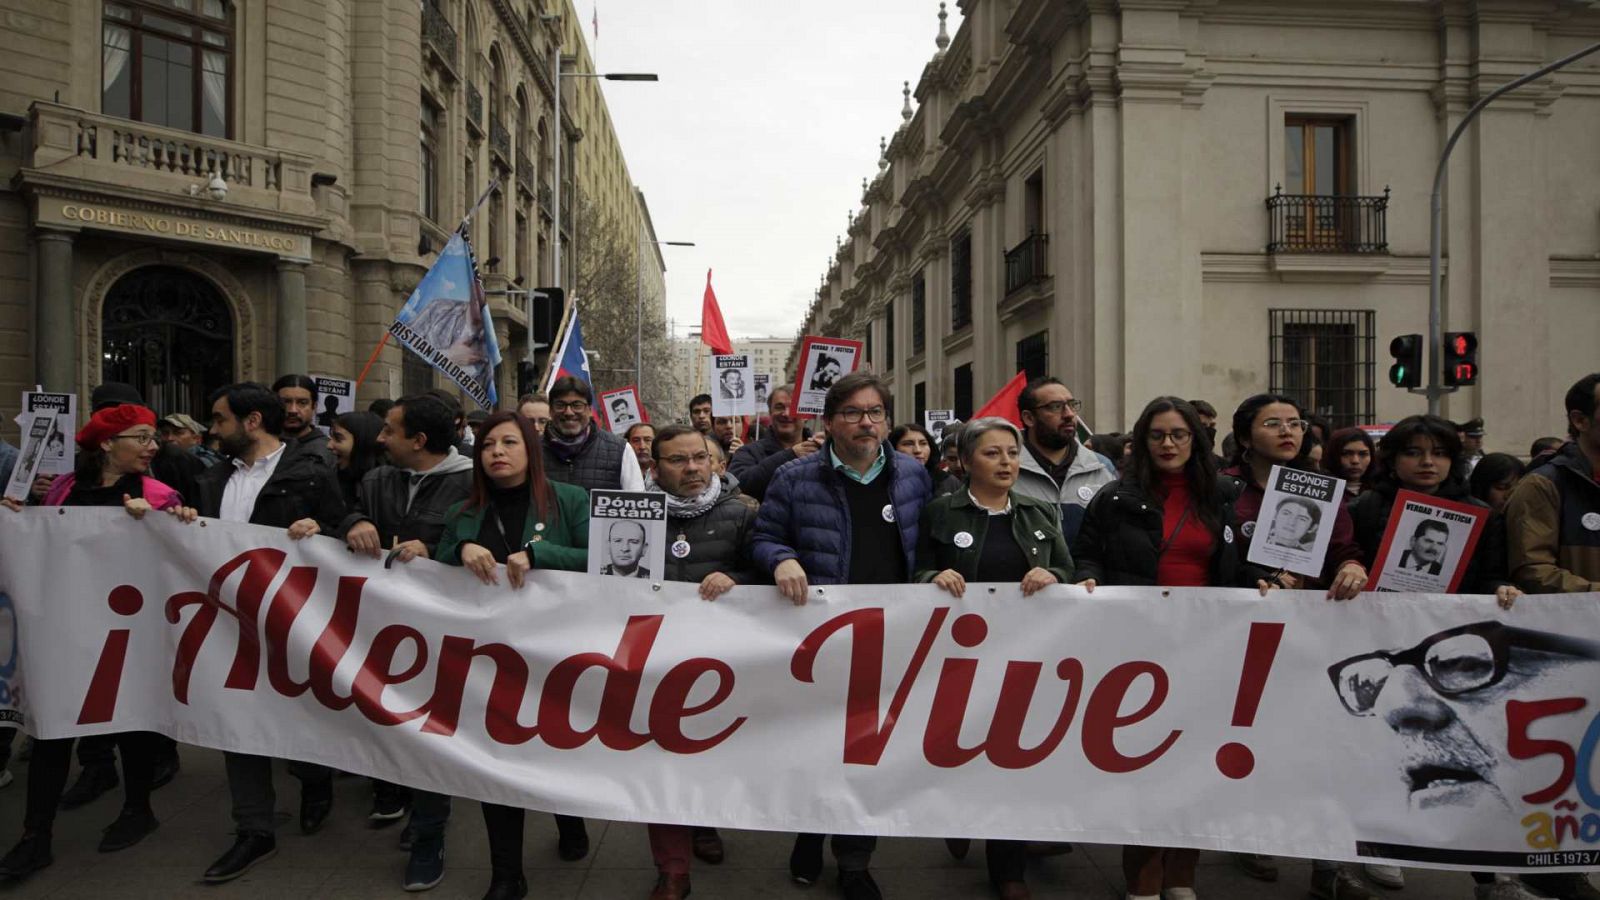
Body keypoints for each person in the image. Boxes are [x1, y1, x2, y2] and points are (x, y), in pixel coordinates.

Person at [1073, 398, 1275, 900]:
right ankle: (1142, 881)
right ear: (1142, 441)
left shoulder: (1224, 495)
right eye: (1158, 435)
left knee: (1194, 766)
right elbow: (1086, 555)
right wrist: (1088, 580)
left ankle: (1182, 876)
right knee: (1143, 767)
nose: (1168, 444)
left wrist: (1264, 581)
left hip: (1207, 648)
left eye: (1179, 435)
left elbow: (1240, 563)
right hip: (1136, 650)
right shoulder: (1114, 498)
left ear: (1196, 440)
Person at [750, 371, 933, 900]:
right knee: (816, 747)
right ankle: (809, 831)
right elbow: (763, 536)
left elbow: (930, 547)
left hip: (890, 639)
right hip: (819, 640)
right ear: (828, 423)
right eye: (852, 413)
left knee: (866, 754)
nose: (866, 423)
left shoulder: (913, 477)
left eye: (875, 412)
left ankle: (855, 860)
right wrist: (780, 558)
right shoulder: (795, 479)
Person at [0, 403, 199, 882]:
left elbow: (185, 554)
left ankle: (137, 808)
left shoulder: (158, 493)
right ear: (108, 443)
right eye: (142, 437)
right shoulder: (67, 489)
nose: (153, 447)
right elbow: (45, 543)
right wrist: (17, 517)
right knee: (52, 726)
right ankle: (35, 836)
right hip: (67, 626)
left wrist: (175, 519)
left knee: (132, 720)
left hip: (131, 632)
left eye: (154, 438)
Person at [1345, 414, 1522, 897]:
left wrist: (1501, 588)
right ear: (1394, 459)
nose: (1428, 462)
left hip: (1452, 655)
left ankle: (1488, 874)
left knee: (1472, 754)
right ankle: (1390, 848)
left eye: (1439, 453)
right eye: (1415, 452)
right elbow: (1347, 559)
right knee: (1388, 751)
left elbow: (1491, 574)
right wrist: (1353, 567)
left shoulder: (1480, 512)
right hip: (1385, 649)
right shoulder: (1367, 508)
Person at [191, 382, 347, 884]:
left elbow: (343, 527)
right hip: (229, 623)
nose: (213, 429)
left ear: (251, 421)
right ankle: (254, 829)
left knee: (302, 714)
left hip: (292, 621)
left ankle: (315, 779)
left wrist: (319, 529)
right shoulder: (213, 479)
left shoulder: (310, 471)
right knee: (236, 721)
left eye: (219, 420)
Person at [914, 417, 1073, 900]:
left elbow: (1067, 566)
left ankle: (1008, 868)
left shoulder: (1040, 511)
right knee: (960, 746)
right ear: (965, 462)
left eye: (1012, 452)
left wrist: (1054, 577)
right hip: (959, 655)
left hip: (1025, 657)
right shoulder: (941, 512)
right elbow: (916, 570)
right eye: (992, 454)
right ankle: (957, 815)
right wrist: (932, 579)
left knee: (1008, 754)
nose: (1006, 462)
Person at [435, 411, 590, 900]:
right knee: (496, 760)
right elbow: (432, 570)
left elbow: (601, 558)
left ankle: (569, 817)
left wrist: (541, 556)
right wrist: (461, 548)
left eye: (509, 443)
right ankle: (507, 874)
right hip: (489, 660)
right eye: (487, 446)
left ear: (530, 450)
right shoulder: (465, 511)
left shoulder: (570, 500)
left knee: (555, 749)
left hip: (556, 652)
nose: (497, 452)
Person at [1220, 393, 1370, 896]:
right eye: (1272, 423)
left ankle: (1328, 867)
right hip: (1243, 636)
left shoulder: (1326, 492)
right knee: (1253, 737)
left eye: (1296, 423)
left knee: (1319, 746)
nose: (1288, 431)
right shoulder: (1227, 491)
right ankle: (1251, 829)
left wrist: (1351, 567)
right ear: (1245, 437)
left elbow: (1343, 549)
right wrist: (1255, 584)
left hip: (1311, 634)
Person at [1326, 620, 1592, 900]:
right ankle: (1378, 847)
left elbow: (1491, 576)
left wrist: (1499, 588)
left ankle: (1497, 878)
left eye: (1461, 664)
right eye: (1368, 684)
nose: (1397, 705)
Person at [335, 393, 474, 891]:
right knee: (385, 723)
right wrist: (355, 523)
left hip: (444, 633)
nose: (380, 437)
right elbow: (342, 512)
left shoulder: (472, 483)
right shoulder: (375, 479)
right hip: (379, 627)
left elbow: (487, 544)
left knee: (429, 732)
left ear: (419, 440)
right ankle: (400, 799)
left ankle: (428, 834)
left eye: (390, 430)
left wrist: (439, 551)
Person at [642, 424, 761, 900]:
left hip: (721, 663)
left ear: (714, 462)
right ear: (655, 468)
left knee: (710, 756)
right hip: (654, 662)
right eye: (677, 460)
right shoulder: (633, 514)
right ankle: (672, 870)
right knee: (658, 764)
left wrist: (736, 578)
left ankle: (705, 825)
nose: (691, 468)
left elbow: (768, 570)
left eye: (699, 458)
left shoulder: (747, 512)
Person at [1011, 377, 1116, 543]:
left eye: (1072, 405)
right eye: (1055, 407)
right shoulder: (1007, 469)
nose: (1069, 414)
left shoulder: (1101, 467)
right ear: (1029, 418)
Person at [542, 377, 646, 492]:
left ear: (590, 410)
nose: (569, 412)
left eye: (577, 405)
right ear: (550, 410)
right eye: (560, 405)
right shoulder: (531, 449)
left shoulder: (621, 450)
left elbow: (637, 503)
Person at [727, 385, 819, 502]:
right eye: (779, 407)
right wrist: (790, 455)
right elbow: (736, 486)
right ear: (770, 412)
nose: (786, 413)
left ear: (806, 415)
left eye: (793, 408)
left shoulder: (822, 450)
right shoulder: (748, 452)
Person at [327, 410, 385, 510]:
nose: (329, 445)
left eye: (338, 438)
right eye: (331, 437)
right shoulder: (332, 480)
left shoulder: (385, 489)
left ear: (361, 443)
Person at [273, 374, 335, 465]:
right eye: (285, 402)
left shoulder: (328, 451)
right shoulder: (260, 446)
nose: (292, 410)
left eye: (302, 403)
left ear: (314, 407)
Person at [890, 422, 959, 496]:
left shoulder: (948, 482)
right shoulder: (884, 481)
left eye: (923, 443)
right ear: (893, 448)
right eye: (908, 444)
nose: (918, 450)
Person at [1328, 426, 1376, 500]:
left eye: (1363, 454)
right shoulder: (1322, 490)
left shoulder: (1382, 492)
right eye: (1346, 453)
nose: (1355, 461)